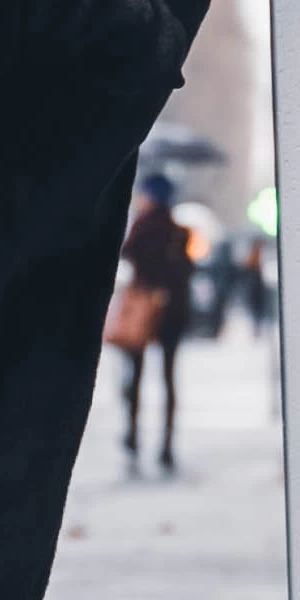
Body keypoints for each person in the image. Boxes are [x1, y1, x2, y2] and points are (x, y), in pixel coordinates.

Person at [107, 172, 193, 471]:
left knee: (136, 375)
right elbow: (186, 270)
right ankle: (167, 445)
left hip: (144, 312)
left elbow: (126, 253)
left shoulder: (143, 226)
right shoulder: (180, 231)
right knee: (168, 379)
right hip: (173, 312)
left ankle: (132, 434)